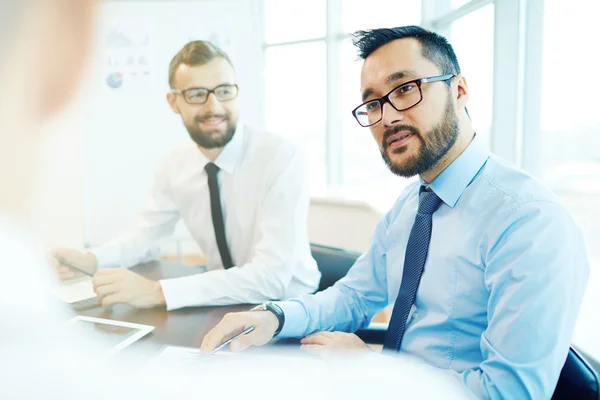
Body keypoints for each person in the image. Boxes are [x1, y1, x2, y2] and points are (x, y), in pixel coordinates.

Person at [200, 26, 590, 399]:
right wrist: (273, 317)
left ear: (460, 89)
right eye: (373, 103)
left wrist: (370, 368)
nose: (387, 117)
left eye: (405, 89)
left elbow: (508, 394)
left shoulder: (529, 222)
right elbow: (354, 298)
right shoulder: (411, 205)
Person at [51, 40, 320, 310]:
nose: (213, 106)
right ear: (174, 101)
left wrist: (159, 292)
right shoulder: (174, 165)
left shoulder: (282, 157)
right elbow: (147, 237)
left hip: (292, 309)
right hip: (222, 305)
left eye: (224, 91)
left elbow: (271, 278)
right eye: (196, 94)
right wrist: (93, 260)